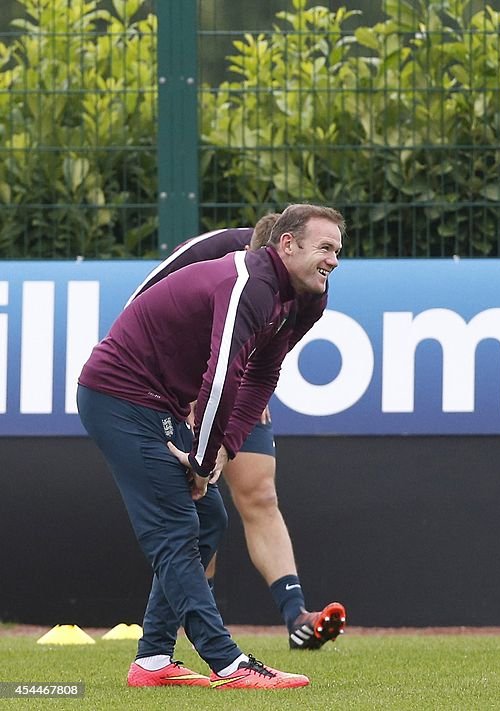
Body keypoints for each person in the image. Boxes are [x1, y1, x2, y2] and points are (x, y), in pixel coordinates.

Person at [78, 204, 345, 689]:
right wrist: (202, 458)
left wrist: (222, 449)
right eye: (325, 248)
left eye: (338, 251)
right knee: (178, 525)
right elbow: (221, 379)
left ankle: (154, 661)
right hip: (120, 393)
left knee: (209, 518)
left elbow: (263, 373)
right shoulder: (248, 278)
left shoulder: (309, 298)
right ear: (288, 245)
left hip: (160, 400)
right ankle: (228, 663)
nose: (334, 260)